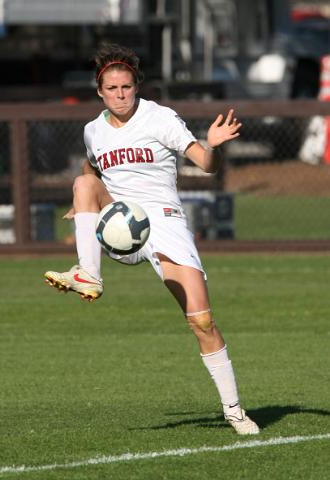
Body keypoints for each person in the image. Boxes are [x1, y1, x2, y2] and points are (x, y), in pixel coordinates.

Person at [45, 42, 259, 435]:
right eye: (112, 89)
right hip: (120, 227)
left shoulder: (160, 118)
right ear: (100, 91)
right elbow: (90, 168)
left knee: (202, 320)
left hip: (163, 223)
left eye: (126, 87)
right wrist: (84, 201)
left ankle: (233, 409)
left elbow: (205, 164)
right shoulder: (93, 130)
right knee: (81, 182)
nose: (120, 95)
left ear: (136, 86)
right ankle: (89, 273)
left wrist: (213, 144)